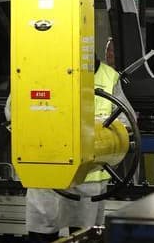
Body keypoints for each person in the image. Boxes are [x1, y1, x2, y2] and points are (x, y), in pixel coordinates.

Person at [25, 38, 133, 242]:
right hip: (47, 176)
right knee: (41, 235)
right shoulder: (40, 72)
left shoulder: (110, 78)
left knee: (84, 236)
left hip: (88, 178)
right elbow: (16, 110)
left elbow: (126, 121)